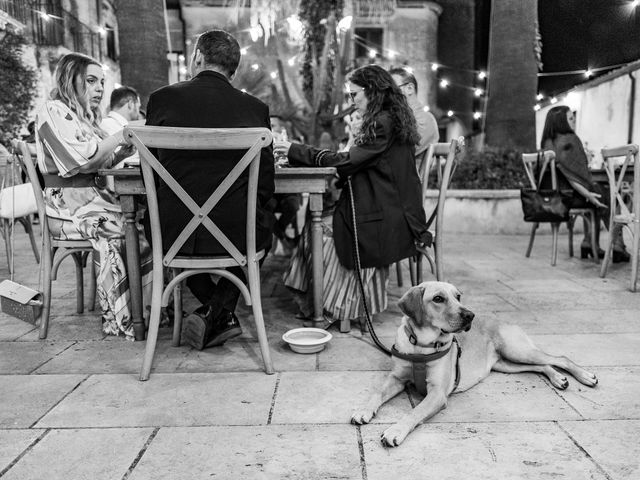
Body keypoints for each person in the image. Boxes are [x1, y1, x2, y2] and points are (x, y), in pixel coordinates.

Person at [145, 29, 275, 350]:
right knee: (263, 228)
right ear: (234, 69)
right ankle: (221, 310)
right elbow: (265, 187)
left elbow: (153, 175)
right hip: (235, 232)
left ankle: (210, 311)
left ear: (198, 57)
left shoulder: (161, 100)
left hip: (173, 232)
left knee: (167, 227)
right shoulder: (255, 109)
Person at [275, 64, 430, 326]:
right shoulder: (389, 118)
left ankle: (333, 307)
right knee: (316, 224)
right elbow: (352, 161)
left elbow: (345, 163)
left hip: (387, 218)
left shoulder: (383, 123)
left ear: (372, 92)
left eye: (354, 94)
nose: (352, 100)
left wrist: (292, 149)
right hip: (388, 208)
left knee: (318, 231)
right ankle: (316, 302)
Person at [34, 52, 152, 339]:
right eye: (91, 80)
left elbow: (102, 161)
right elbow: (81, 162)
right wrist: (123, 134)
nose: (100, 88)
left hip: (92, 200)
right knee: (122, 230)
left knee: (148, 224)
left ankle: (147, 310)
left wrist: (122, 149)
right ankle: (122, 319)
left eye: (102, 81)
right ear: (69, 79)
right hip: (66, 205)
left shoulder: (85, 117)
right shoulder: (52, 111)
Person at [540, 105, 629, 262]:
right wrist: (588, 193)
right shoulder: (570, 140)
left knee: (599, 193)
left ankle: (589, 243)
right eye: (571, 118)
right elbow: (574, 178)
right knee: (610, 196)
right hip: (569, 197)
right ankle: (618, 246)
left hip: (552, 197)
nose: (574, 121)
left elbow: (566, 173)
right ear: (561, 122)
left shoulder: (547, 143)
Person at [389, 67, 439, 167]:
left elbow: (400, 153)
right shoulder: (392, 117)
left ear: (410, 88)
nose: (387, 95)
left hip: (402, 180)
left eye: (391, 89)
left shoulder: (426, 119)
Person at [270, 114, 301, 249]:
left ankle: (279, 232)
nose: (270, 129)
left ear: (281, 128)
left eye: (272, 126)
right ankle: (283, 237)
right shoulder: (261, 144)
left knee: (293, 204)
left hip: (288, 190)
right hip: (269, 191)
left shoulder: (292, 144)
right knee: (264, 208)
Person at [101, 86, 141, 168]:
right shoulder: (116, 129)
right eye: (138, 107)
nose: (139, 113)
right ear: (130, 104)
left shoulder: (101, 124)